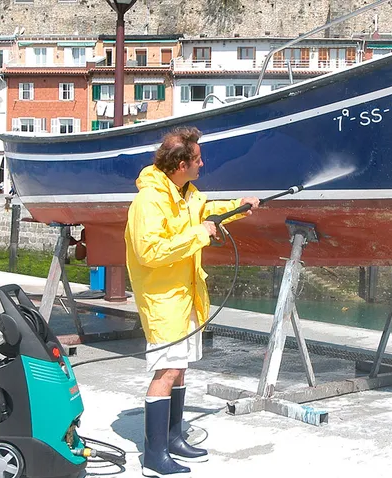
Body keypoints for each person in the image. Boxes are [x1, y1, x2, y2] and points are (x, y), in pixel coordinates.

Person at [124, 127, 259, 476]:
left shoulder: (185, 194)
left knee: (180, 367)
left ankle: (173, 438)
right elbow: (150, 251)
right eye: (198, 159)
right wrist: (200, 235)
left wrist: (239, 207)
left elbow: (205, 211)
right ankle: (154, 456)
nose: (203, 164)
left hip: (187, 293)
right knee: (167, 370)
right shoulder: (149, 201)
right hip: (163, 298)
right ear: (181, 165)